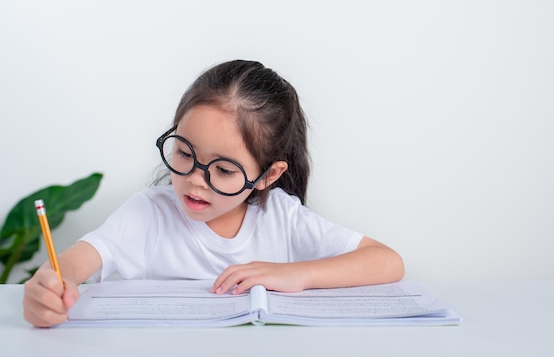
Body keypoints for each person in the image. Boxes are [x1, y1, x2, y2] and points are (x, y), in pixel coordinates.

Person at [23, 60, 405, 327]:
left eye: (223, 170)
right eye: (184, 153)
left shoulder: (282, 218)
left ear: (268, 175)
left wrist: (295, 274)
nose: (195, 180)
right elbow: (70, 266)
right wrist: (50, 286)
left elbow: (387, 262)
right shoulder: (147, 215)